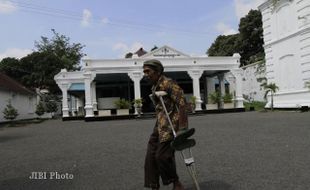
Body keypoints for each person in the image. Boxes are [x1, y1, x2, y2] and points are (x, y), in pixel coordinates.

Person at [143, 59, 188, 190]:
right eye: (144, 71)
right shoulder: (154, 86)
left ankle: (176, 183)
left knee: (162, 156)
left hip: (171, 125)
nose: (145, 74)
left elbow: (182, 103)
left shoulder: (168, 83)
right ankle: (154, 185)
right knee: (150, 156)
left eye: (148, 71)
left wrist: (183, 127)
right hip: (159, 124)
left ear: (157, 71)